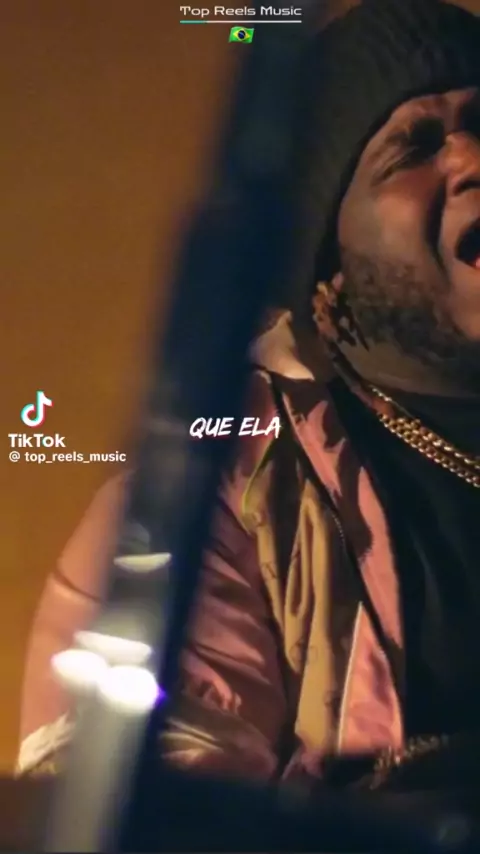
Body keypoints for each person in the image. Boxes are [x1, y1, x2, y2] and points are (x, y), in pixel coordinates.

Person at [16, 0, 480, 797]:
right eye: (412, 148)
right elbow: (134, 799)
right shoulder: (218, 497)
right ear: (328, 268)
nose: (472, 158)